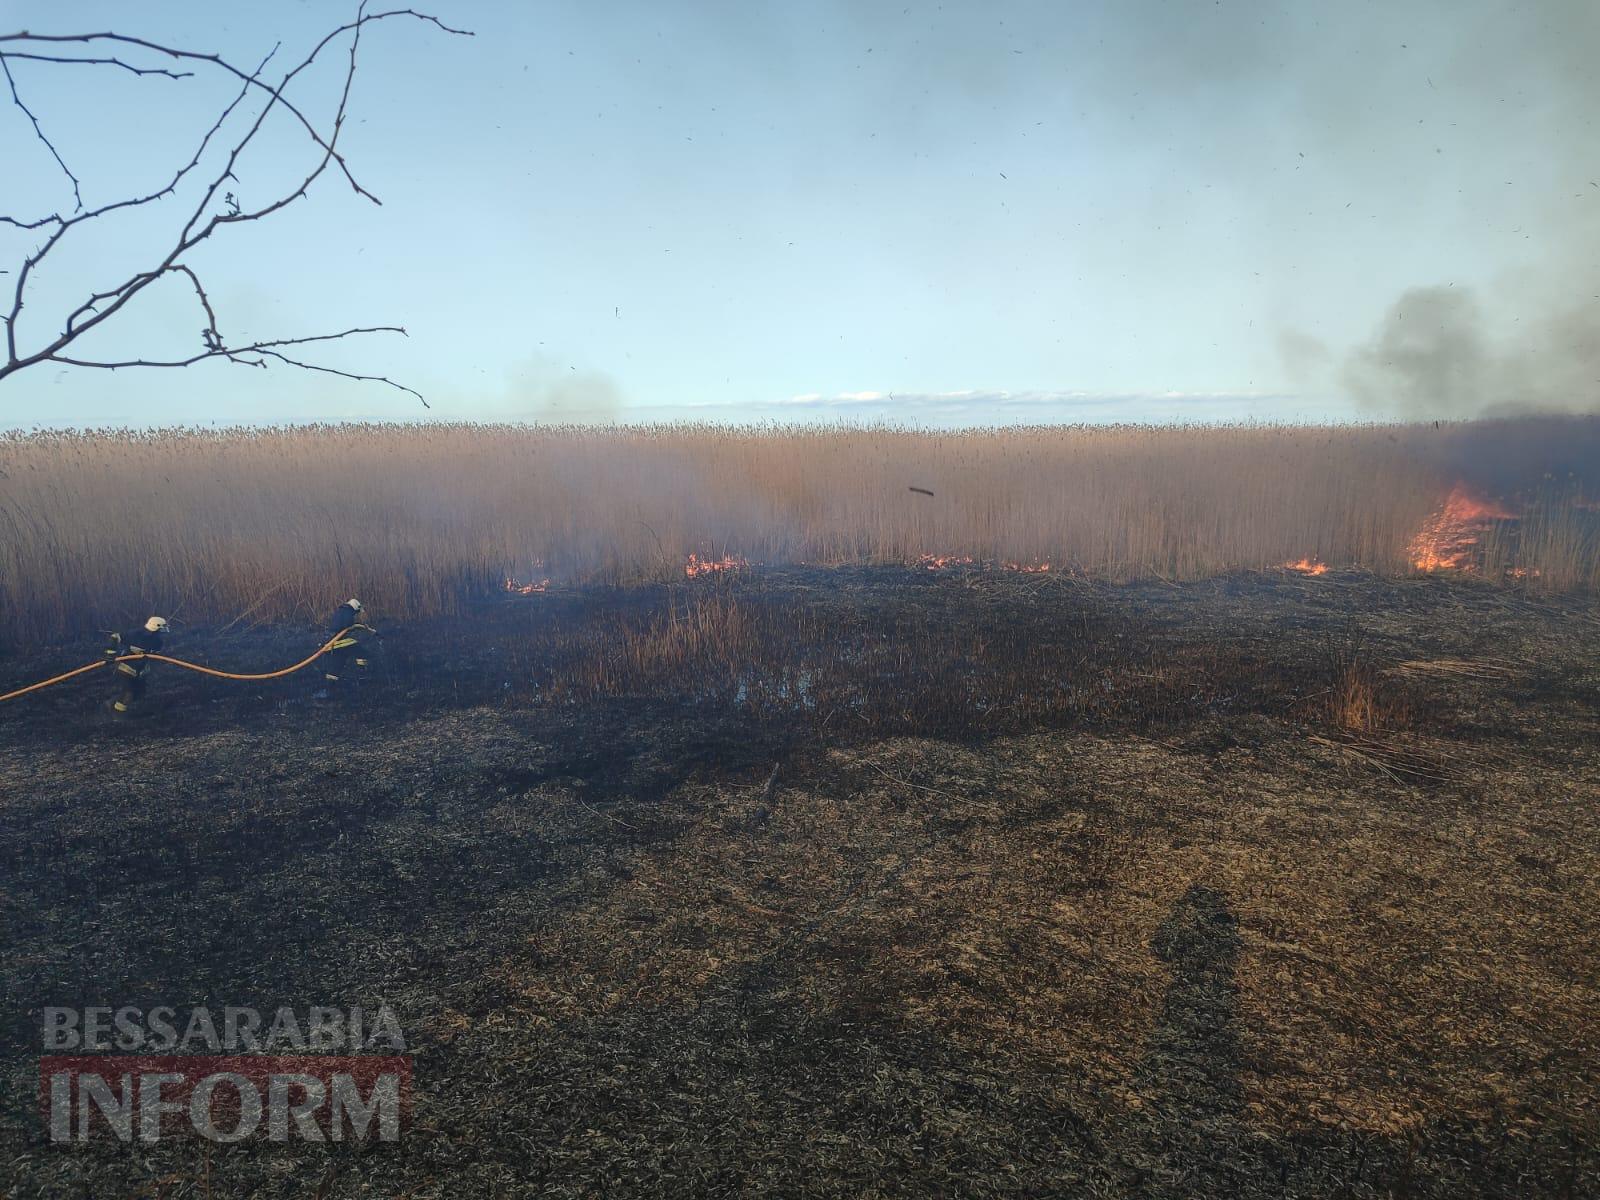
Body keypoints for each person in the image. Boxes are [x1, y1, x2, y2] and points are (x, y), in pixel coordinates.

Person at [104, 616, 168, 717]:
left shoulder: (158, 642)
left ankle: (112, 703)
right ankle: (117, 715)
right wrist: (110, 655)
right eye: (160, 630)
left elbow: (155, 657)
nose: (162, 633)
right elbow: (115, 637)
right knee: (128, 694)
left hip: (141, 671)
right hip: (126, 668)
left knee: (139, 694)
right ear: (154, 628)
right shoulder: (135, 635)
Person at [322, 598, 370, 688]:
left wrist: (358, 626)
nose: (356, 614)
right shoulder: (348, 611)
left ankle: (330, 686)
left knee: (338, 663)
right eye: (357, 612)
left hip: (332, 642)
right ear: (355, 607)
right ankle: (362, 675)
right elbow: (348, 624)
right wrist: (355, 626)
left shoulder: (340, 611)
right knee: (362, 652)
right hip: (339, 640)